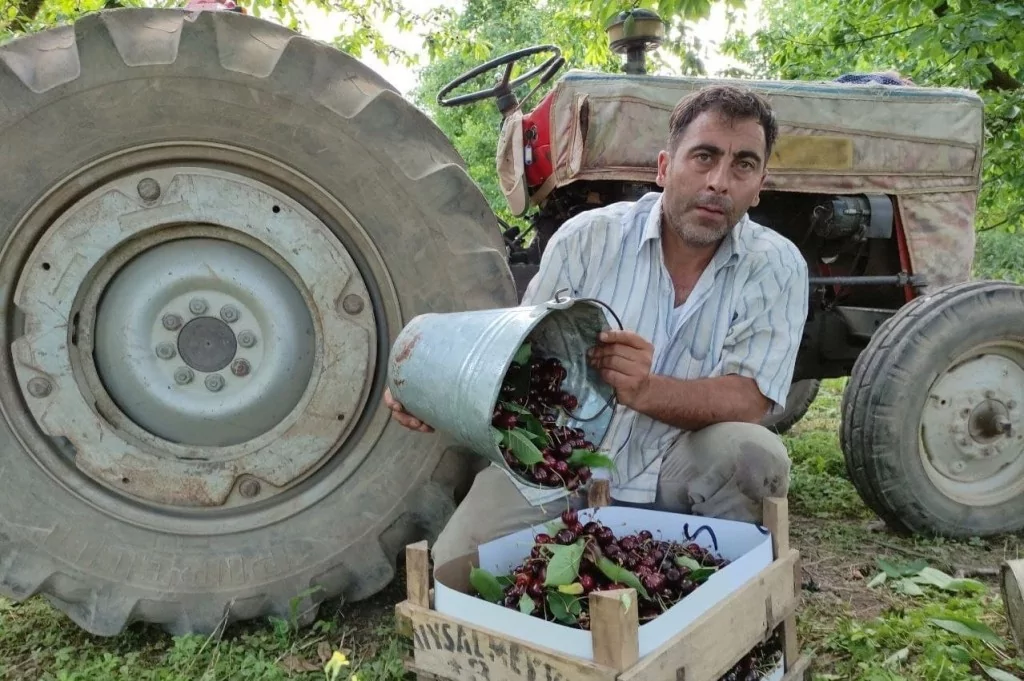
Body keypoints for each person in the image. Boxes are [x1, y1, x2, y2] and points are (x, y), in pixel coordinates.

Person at [384, 84, 809, 566]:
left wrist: (646, 389)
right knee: (453, 570)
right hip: (560, 466)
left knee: (754, 453)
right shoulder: (588, 238)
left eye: (743, 165)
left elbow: (750, 398)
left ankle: (727, 571)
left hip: (673, 466)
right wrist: (433, 388)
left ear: (760, 186)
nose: (719, 182)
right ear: (665, 167)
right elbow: (516, 359)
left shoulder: (776, 264)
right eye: (703, 157)